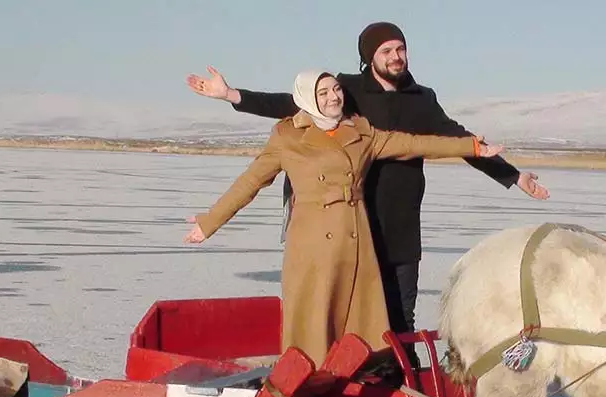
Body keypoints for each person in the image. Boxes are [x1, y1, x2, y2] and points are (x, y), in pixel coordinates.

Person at [186, 21, 549, 340]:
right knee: (356, 316)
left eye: (401, 49)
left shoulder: (421, 99)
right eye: (387, 50)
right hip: (356, 221)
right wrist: (231, 95)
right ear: (370, 57)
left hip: (402, 220)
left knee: (401, 315)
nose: (396, 56)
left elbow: (445, 140)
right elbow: (291, 104)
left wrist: (513, 175)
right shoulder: (346, 89)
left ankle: (401, 395)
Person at [183, 70, 503, 367]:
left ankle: (359, 390)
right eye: (323, 93)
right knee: (313, 328)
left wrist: (472, 146)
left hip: (356, 244)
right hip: (312, 249)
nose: (334, 97)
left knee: (360, 327)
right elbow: (250, 182)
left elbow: (415, 144)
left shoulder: (361, 132)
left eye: (335, 89)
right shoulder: (287, 136)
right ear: (307, 99)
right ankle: (307, 391)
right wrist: (208, 222)